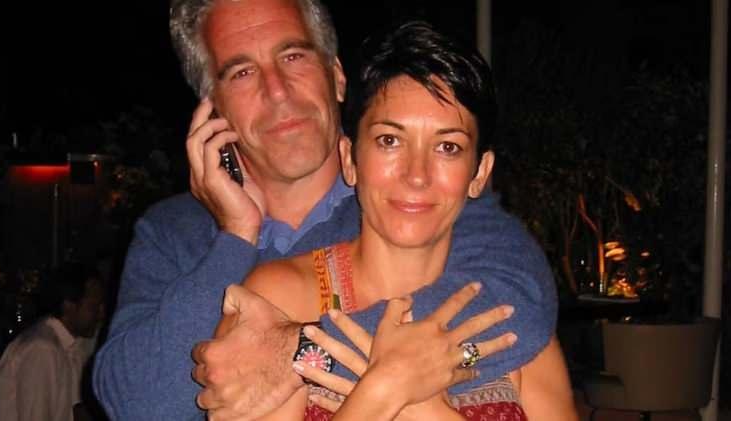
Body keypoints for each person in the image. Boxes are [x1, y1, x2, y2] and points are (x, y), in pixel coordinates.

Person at [93, 0, 557, 420]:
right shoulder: (173, 233)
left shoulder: (413, 205)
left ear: (336, 76)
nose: (277, 91)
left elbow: (519, 305)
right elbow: (140, 406)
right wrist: (234, 238)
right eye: (242, 72)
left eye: (293, 56)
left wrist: (298, 351)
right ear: (212, 108)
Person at [232, 20, 576, 420]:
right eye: (390, 141)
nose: (417, 175)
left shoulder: (505, 317)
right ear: (350, 159)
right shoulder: (280, 304)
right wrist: (382, 390)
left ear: (479, 173)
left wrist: (417, 405)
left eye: (447, 147)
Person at [0, 263, 105, 421]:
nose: (101, 314)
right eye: (94, 307)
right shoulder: (42, 349)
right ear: (69, 306)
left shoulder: (73, 345)